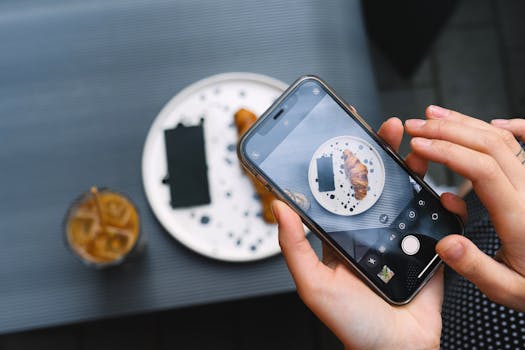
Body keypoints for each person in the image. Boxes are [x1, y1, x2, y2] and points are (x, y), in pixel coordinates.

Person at [271, 105, 525, 350]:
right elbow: (481, 185)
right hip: (481, 223)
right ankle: (431, 197)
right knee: (465, 197)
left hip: (459, 319)